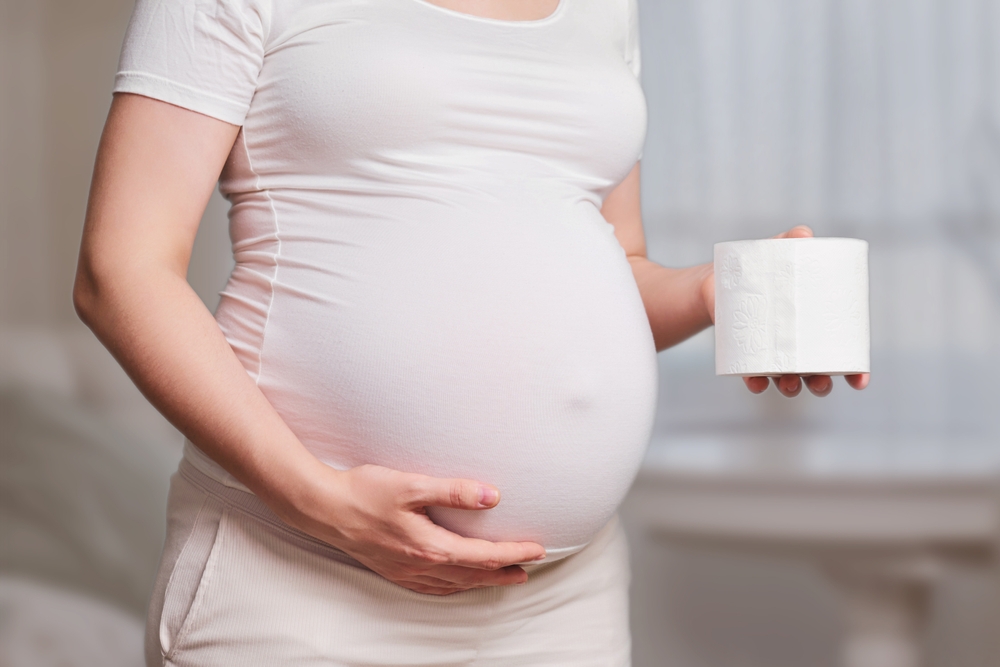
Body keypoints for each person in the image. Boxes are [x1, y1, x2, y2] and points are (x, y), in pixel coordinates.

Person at [74, 0, 869, 664]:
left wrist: (708, 293)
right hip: (300, 577)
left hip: (561, 604)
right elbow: (122, 269)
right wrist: (319, 500)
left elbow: (615, 260)